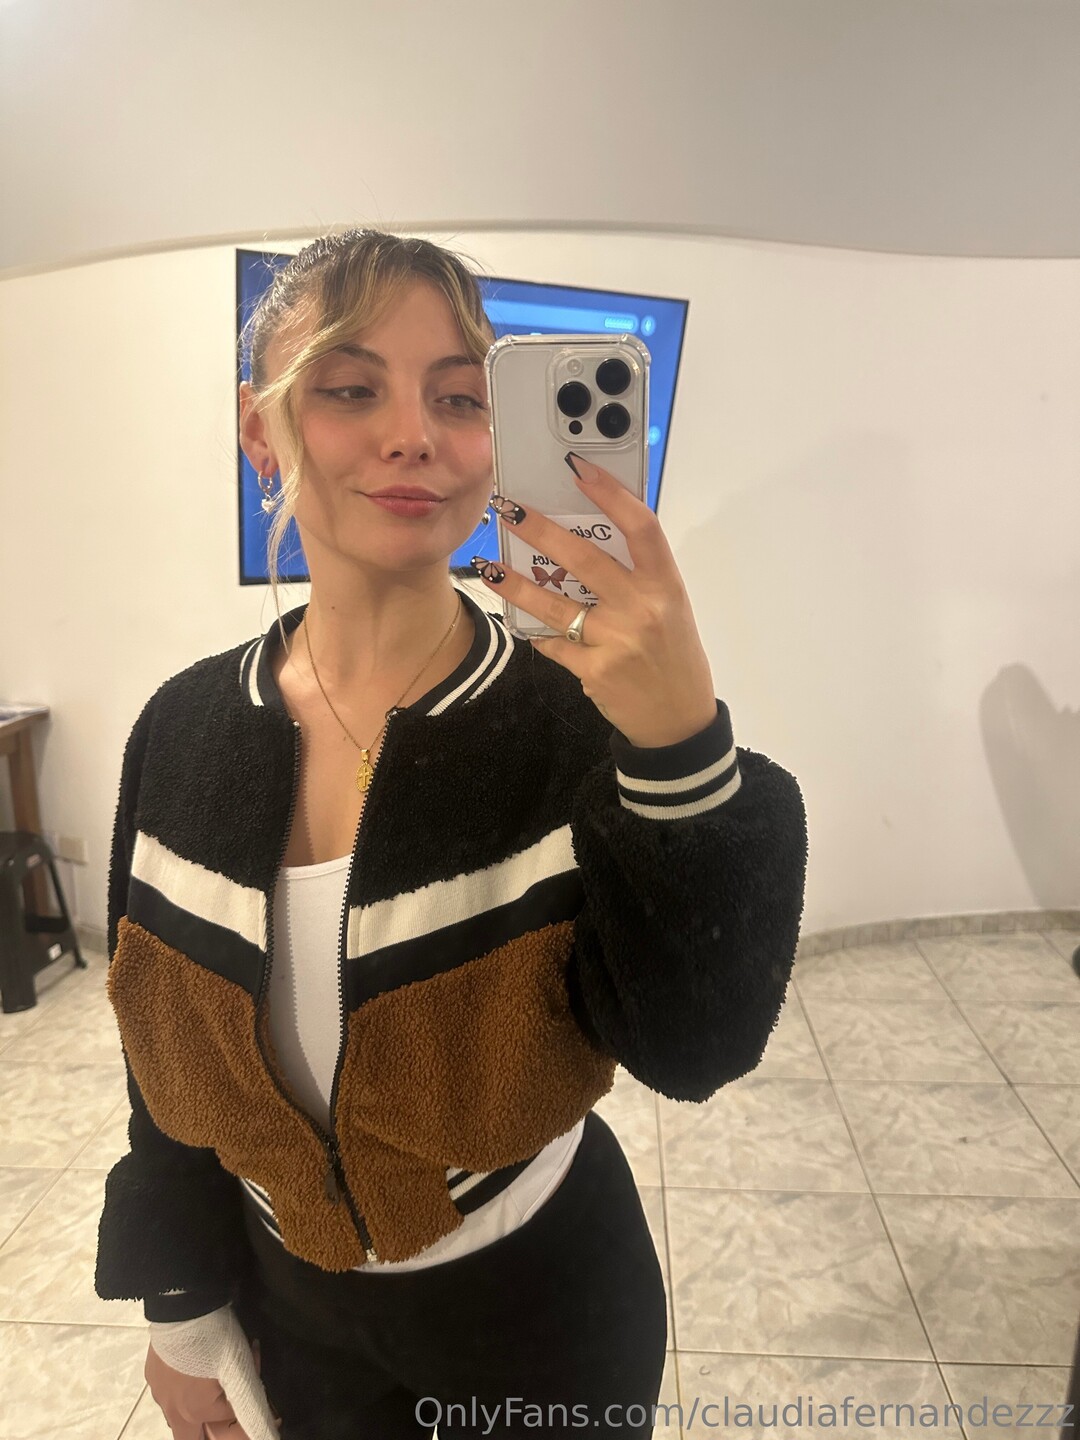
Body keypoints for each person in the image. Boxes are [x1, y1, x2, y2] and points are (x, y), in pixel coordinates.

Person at [95, 228, 809, 1439]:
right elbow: (156, 1043)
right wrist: (179, 1301)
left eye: (461, 397)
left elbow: (696, 1047)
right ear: (261, 431)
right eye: (349, 387)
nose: (413, 434)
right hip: (290, 1309)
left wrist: (682, 747)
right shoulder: (182, 732)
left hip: (544, 1314)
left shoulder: (579, 721)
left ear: (498, 441)